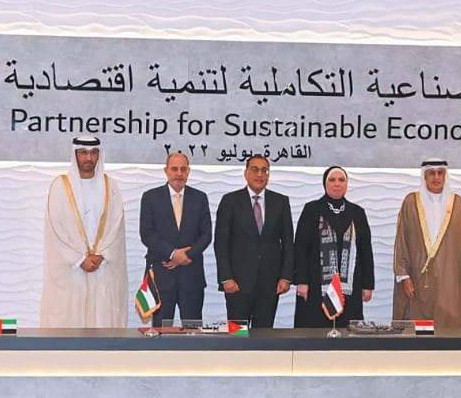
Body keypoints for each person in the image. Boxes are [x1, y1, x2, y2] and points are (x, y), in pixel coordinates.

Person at [40, 136, 127, 327]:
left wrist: (101, 254)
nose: (89, 158)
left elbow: (116, 224)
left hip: (102, 267)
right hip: (72, 270)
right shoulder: (60, 186)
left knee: (103, 321)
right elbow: (56, 228)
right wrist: (79, 259)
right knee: (69, 323)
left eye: (93, 153)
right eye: (83, 153)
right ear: (75, 154)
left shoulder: (110, 186)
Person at [214, 155, 293, 328]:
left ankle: (262, 349)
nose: (259, 174)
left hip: (270, 283)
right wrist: (226, 277)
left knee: (264, 335)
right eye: (255, 169)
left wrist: (286, 277)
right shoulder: (230, 201)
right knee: (237, 334)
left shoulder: (281, 202)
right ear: (246, 173)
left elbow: (288, 243)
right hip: (237, 283)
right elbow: (221, 243)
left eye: (264, 170)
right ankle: (236, 349)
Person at [392, 158, 461, 327]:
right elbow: (401, 240)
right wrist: (404, 276)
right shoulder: (411, 202)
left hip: (448, 281)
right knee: (419, 330)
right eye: (431, 173)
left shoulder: (457, 204)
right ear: (424, 176)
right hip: (417, 279)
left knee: (448, 329)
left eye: (440, 173)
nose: (436, 177)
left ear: (445, 176)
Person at [293, 166, 374, 328]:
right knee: (314, 331)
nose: (337, 184)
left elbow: (365, 250)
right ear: (325, 183)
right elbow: (300, 248)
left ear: (346, 184)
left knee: (347, 333)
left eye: (341, 180)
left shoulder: (357, 212)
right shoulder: (312, 209)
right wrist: (301, 281)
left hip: (349, 287)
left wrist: (367, 285)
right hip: (315, 286)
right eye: (332, 180)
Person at [138, 152, 212, 327]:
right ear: (166, 171)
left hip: (191, 275)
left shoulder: (200, 198)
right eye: (174, 169)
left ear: (188, 171)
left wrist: (184, 257)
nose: (179, 174)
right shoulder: (150, 197)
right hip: (161, 276)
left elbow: (206, 234)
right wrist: (172, 254)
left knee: (193, 329)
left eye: (183, 169)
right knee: (161, 330)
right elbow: (147, 234)